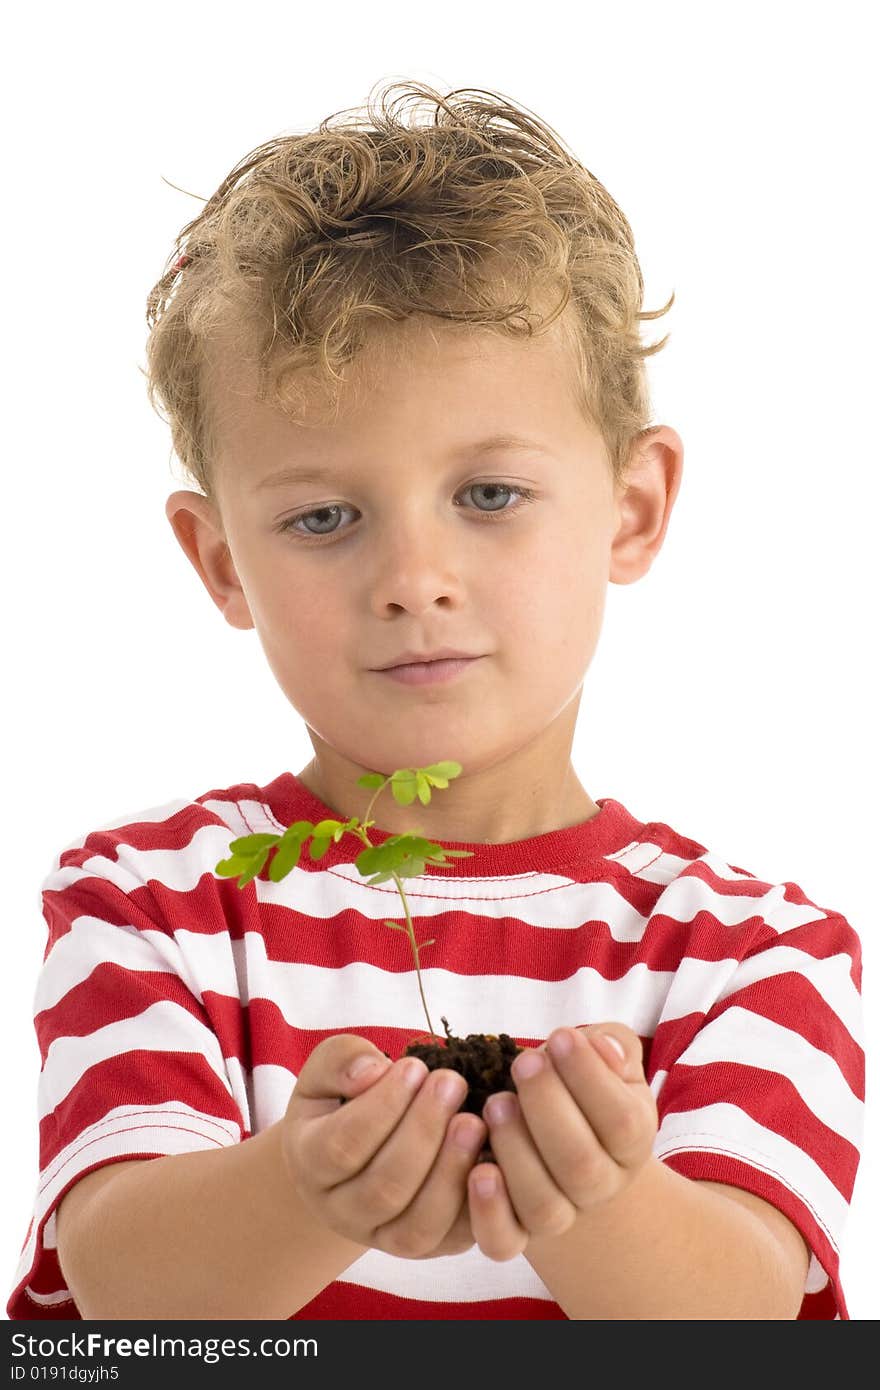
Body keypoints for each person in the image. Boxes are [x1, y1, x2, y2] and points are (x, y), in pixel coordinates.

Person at [7, 79, 863, 1322]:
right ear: (219, 562)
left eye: (490, 496)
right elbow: (126, 1296)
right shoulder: (152, 903)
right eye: (322, 518)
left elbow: (743, 1315)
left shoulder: (748, 953)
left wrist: (598, 1193)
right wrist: (304, 1192)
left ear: (631, 508)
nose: (413, 582)